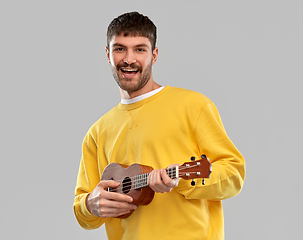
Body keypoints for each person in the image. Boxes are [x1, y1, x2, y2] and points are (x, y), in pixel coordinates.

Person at [73, 11, 245, 240]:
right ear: (108, 54)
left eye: (140, 49)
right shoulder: (97, 132)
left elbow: (234, 174)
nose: (129, 59)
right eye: (120, 48)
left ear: (154, 55)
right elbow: (83, 208)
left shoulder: (193, 106)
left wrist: (183, 182)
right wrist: (90, 204)